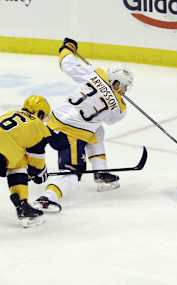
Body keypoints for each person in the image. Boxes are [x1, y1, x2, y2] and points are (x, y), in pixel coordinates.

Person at [33, 37, 134, 212]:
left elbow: (67, 63)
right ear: (117, 84)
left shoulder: (95, 74)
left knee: (97, 131)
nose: (124, 90)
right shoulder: (120, 107)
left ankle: (100, 173)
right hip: (70, 136)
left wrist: (67, 48)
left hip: (51, 123)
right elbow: (111, 120)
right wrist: (117, 99)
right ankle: (46, 199)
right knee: (72, 174)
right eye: (124, 87)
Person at [0, 95, 51, 227]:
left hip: (3, 154)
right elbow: (36, 163)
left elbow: (18, 164)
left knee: (18, 164)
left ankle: (23, 205)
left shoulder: (10, 114)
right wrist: (39, 173)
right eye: (44, 116)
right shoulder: (38, 127)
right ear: (40, 113)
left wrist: (30, 174)